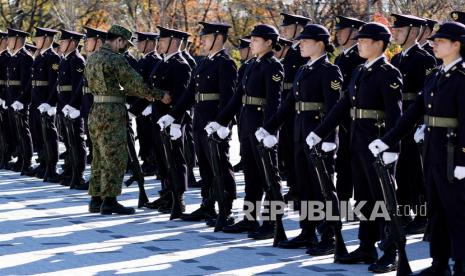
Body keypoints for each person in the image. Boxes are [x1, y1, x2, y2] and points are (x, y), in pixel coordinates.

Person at [369, 21, 465, 276]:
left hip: (453, 154)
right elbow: (412, 113)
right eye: (434, 41)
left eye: (441, 41)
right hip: (434, 152)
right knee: (437, 211)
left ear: (457, 45)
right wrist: (388, 138)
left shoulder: (462, 78)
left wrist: (464, 161)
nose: (434, 44)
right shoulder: (436, 75)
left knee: (456, 214)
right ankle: (439, 264)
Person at [307, 22, 403, 273]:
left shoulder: (388, 72)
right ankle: (366, 245)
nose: (358, 44)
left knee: (383, 199)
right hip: (358, 142)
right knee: (364, 197)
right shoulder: (360, 70)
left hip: (378, 143)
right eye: (358, 40)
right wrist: (319, 133)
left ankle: (390, 250)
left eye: (364, 41)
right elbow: (342, 106)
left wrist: (393, 145)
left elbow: (396, 113)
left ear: (380, 44)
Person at [257, 24, 342, 254]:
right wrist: (269, 127)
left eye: (306, 41)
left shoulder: (329, 71)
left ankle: (329, 235)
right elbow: (288, 105)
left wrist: (328, 137)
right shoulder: (304, 70)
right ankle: (307, 231)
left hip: (318, 135)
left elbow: (334, 108)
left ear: (320, 44)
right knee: (303, 185)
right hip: (300, 133)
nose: (300, 44)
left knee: (323, 188)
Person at [206, 24, 284, 238]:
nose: (252, 43)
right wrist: (220, 121)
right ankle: (250, 219)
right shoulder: (250, 65)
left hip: (263, 125)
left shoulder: (273, 66)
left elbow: (274, 101)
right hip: (248, 123)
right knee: (252, 176)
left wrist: (270, 130)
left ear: (269, 42)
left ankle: (271, 223)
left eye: (256, 40)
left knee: (270, 177)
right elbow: (237, 97)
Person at [159, 22, 238, 229]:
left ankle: (226, 208)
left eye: (206, 36)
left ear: (218, 38)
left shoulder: (226, 63)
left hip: (215, 122)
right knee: (204, 165)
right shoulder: (202, 63)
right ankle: (207, 204)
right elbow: (189, 95)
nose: (202, 40)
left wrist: (222, 123)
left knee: (220, 165)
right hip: (201, 121)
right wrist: (172, 116)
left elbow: (229, 97)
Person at [85, 25, 168, 215]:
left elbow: (109, 84)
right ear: (119, 40)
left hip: (96, 109)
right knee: (115, 157)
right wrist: (157, 94)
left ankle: (96, 199)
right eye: (124, 45)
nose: (124, 49)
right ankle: (110, 201)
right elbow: (134, 83)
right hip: (112, 112)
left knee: (99, 156)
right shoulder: (116, 59)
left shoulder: (92, 58)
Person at [390, 13, 437, 234]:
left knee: (416, 171)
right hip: (400, 119)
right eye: (395, 29)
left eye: (400, 29)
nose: (395, 33)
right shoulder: (397, 59)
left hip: (415, 119)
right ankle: (405, 211)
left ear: (414, 31)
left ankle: (422, 214)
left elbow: (427, 96)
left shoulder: (425, 58)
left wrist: (422, 123)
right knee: (402, 170)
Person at [149, 26, 192, 216]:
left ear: (174, 42)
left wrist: (176, 122)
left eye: (163, 41)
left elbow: (183, 97)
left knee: (175, 159)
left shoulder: (181, 65)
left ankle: (178, 197)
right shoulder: (162, 63)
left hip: (173, 119)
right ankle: (167, 192)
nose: (159, 44)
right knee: (162, 158)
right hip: (159, 118)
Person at [333, 15, 366, 205]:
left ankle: (359, 206)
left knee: (355, 164)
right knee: (343, 163)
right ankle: (343, 202)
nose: (338, 34)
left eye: (342, 30)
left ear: (353, 32)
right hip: (341, 116)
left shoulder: (358, 57)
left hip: (354, 118)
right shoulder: (340, 57)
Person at [278, 13, 311, 202]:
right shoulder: (292, 50)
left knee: (298, 149)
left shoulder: (304, 51)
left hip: (299, 105)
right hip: (288, 105)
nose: (285, 31)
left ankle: (301, 189)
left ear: (299, 27)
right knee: (288, 148)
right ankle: (294, 186)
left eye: (288, 27)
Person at [54, 29, 87, 190]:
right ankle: (70, 170)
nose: (61, 44)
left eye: (64, 41)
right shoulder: (64, 60)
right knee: (68, 141)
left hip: (73, 107)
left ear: (73, 43)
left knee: (76, 140)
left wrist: (74, 105)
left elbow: (78, 87)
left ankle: (78, 174)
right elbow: (59, 86)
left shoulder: (77, 60)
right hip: (63, 105)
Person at [29, 27, 62, 182]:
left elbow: (55, 84)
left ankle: (51, 167)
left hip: (46, 103)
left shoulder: (53, 58)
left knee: (49, 135)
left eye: (39, 38)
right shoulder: (39, 57)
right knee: (39, 134)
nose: (36, 41)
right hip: (36, 102)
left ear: (47, 39)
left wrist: (50, 104)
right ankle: (43, 163)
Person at [5, 28, 34, 175]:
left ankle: (27, 161)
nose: (8, 41)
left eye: (10, 39)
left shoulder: (26, 57)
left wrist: (21, 100)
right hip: (11, 99)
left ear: (17, 40)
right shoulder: (13, 57)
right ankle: (20, 158)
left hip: (20, 101)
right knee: (15, 131)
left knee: (23, 131)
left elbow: (27, 82)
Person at [0, 30, 13, 169]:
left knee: (5, 129)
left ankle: (6, 156)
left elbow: (8, 80)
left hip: (4, 97)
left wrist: (3, 97)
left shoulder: (7, 57)